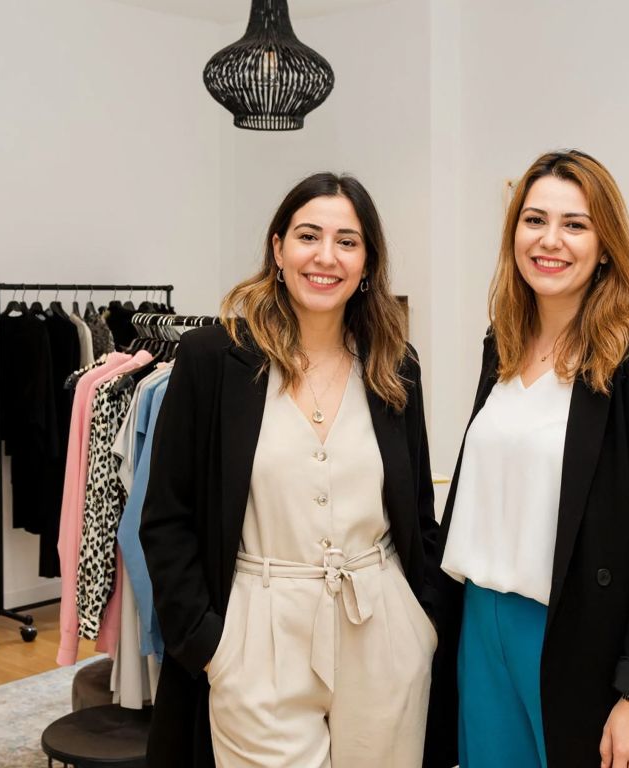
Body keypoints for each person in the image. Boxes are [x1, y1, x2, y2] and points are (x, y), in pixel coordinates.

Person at [141, 172, 444, 767]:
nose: (326, 256)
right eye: (308, 236)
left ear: (367, 262)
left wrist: (424, 623)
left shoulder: (395, 365)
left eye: (347, 241)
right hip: (256, 635)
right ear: (278, 250)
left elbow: (417, 514)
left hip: (383, 628)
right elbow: (167, 517)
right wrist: (208, 645)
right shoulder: (212, 359)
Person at [436, 150, 629, 768]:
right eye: (534, 220)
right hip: (481, 624)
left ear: (606, 244)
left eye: (575, 224)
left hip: (581, 632)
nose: (550, 240)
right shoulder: (502, 344)